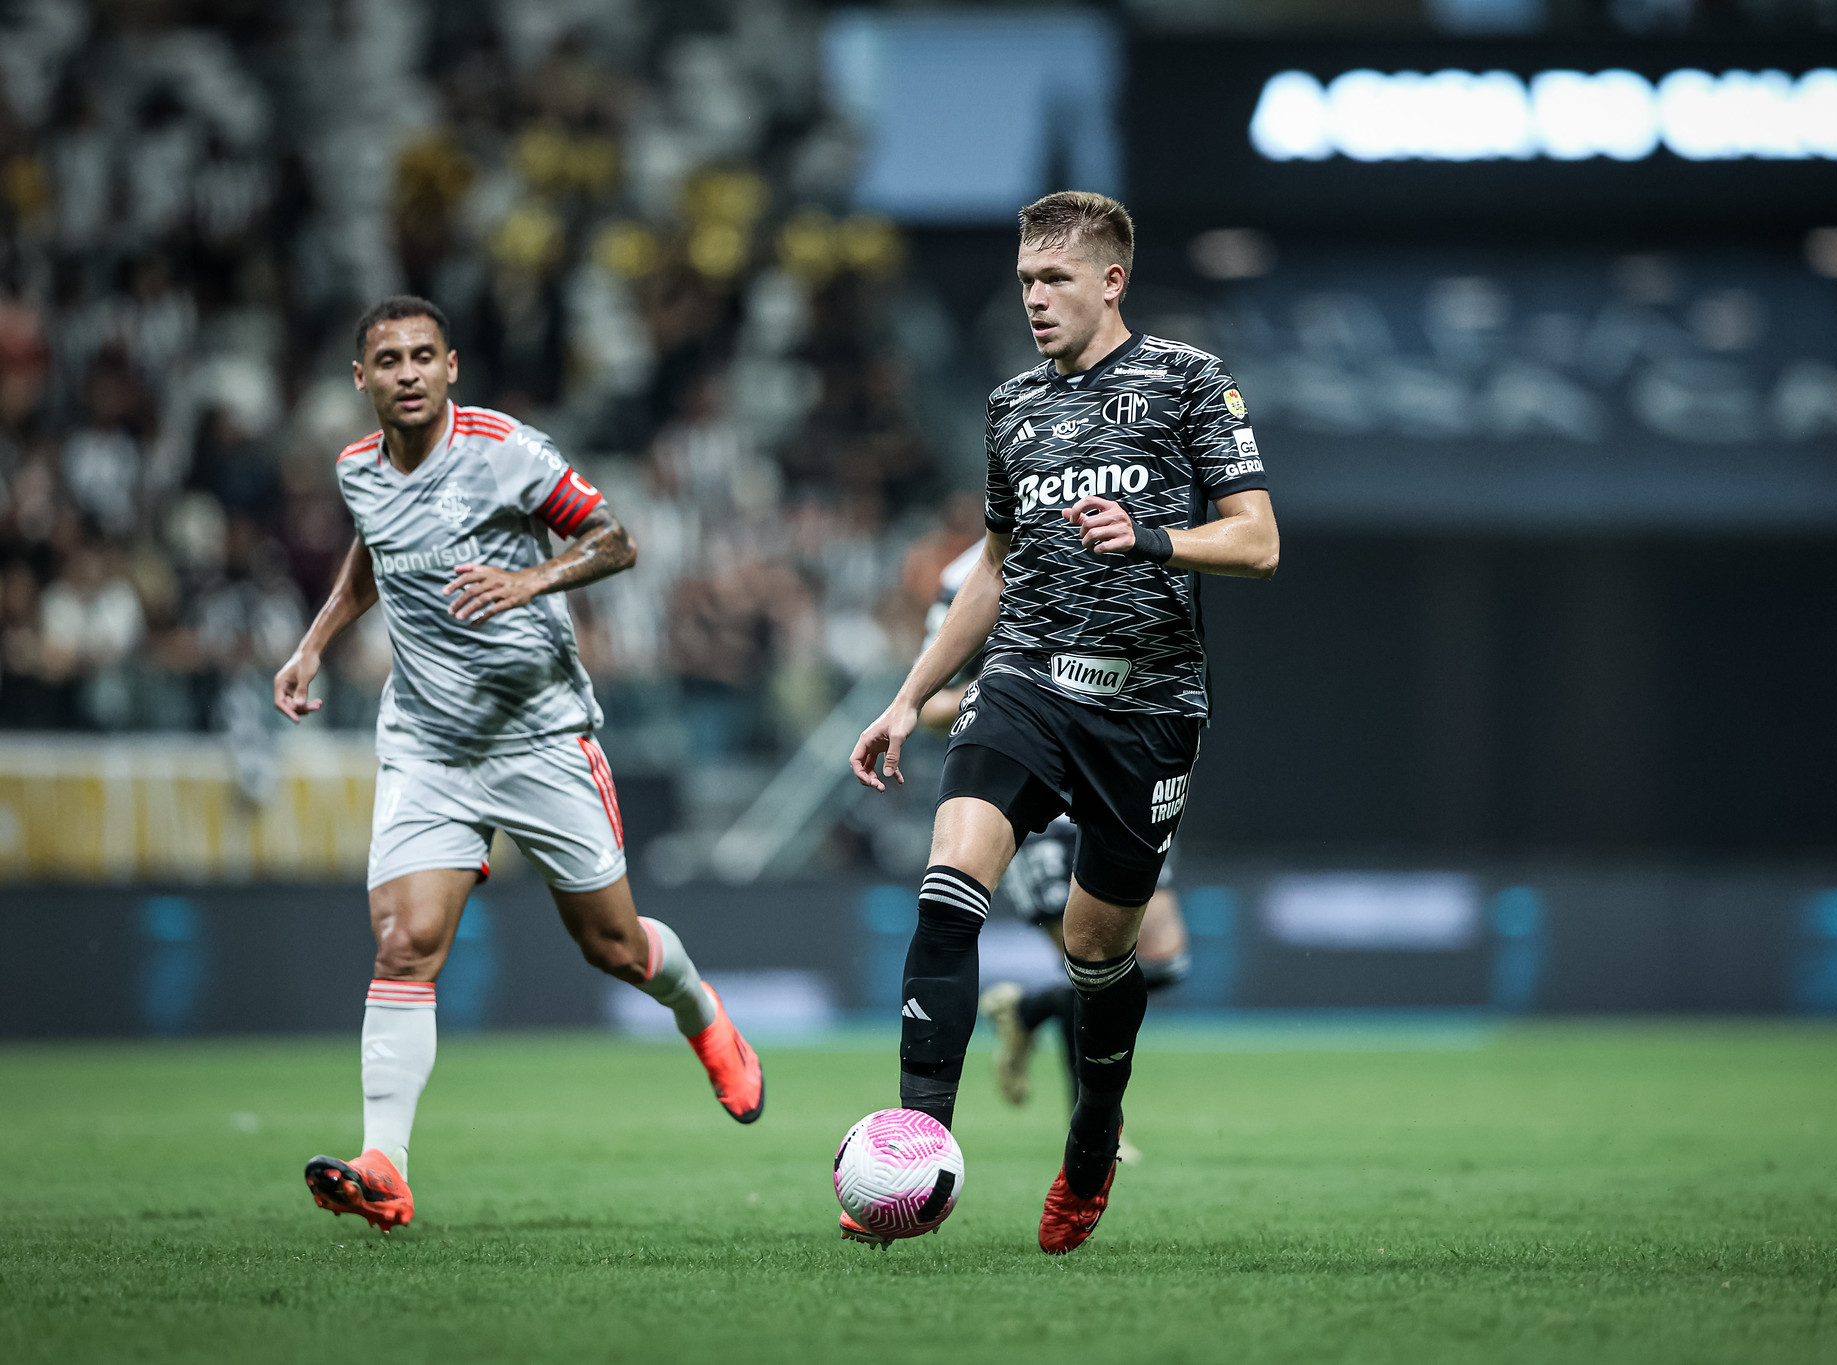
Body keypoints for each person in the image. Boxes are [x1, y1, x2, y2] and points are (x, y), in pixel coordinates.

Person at [274, 296, 763, 1233]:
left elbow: (615, 539)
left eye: (424, 355)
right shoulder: (355, 471)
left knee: (613, 946)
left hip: (540, 737)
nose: (408, 372)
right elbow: (372, 556)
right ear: (361, 379)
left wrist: (529, 578)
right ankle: (386, 1163)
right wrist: (315, 643)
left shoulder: (506, 450)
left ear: (451, 366)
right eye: (389, 360)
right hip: (426, 744)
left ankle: (701, 1011)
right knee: (406, 943)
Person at [849, 192, 1279, 1253]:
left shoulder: (1186, 383)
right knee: (948, 892)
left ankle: (1092, 1135)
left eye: (1054, 280)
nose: (1034, 299)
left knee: (1098, 954)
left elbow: (1259, 541)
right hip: (1024, 682)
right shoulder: (1012, 409)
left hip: (1147, 705)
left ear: (1110, 280)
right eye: (1025, 281)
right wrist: (907, 698)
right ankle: (915, 1157)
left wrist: (1152, 538)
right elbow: (994, 571)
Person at [916, 544, 1192, 1132]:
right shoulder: (967, 574)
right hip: (1034, 777)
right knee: (1084, 966)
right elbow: (934, 702)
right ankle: (1094, 1133)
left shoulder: (1117, 530)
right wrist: (1018, 694)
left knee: (1164, 959)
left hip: (1120, 768)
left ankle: (1028, 1008)